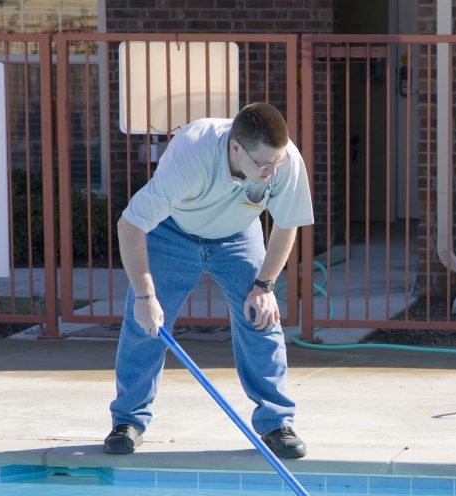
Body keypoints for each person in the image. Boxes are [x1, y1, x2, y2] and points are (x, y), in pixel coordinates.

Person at [104, 102, 313, 459]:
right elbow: (131, 224)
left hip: (237, 233)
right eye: (263, 164)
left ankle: (277, 423)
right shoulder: (192, 155)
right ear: (235, 148)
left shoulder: (284, 161)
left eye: (275, 163)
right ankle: (129, 421)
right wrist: (144, 295)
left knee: (261, 318)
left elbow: (287, 223)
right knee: (146, 325)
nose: (271, 171)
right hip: (173, 232)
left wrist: (264, 287)